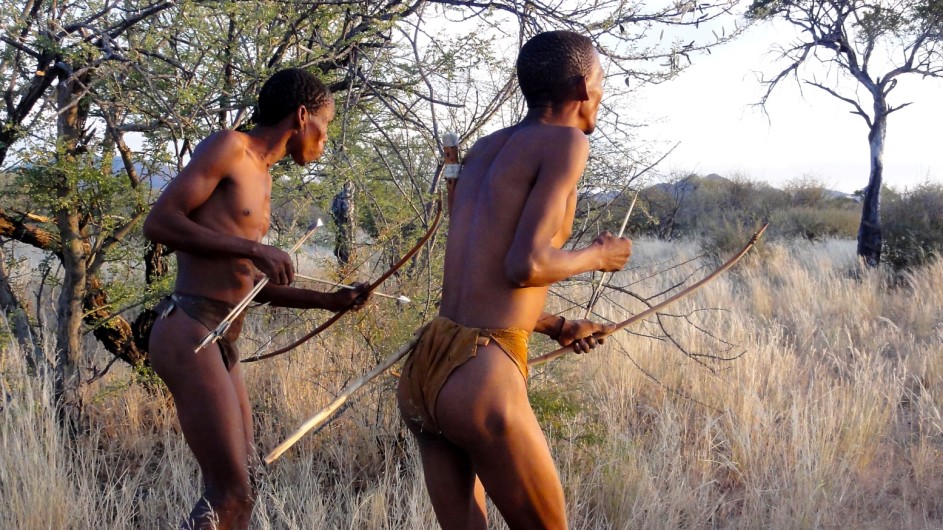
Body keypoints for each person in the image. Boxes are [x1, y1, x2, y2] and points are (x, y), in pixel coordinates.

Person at [397, 31, 633, 530]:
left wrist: (555, 323)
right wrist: (599, 255)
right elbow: (524, 266)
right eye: (601, 80)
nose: (603, 93)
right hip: (482, 378)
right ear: (580, 86)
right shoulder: (566, 141)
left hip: (426, 369)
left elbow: (479, 281)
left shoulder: (484, 150)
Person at [143, 68, 369, 530]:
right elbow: (159, 222)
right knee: (230, 493)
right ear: (302, 116)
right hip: (189, 326)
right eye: (324, 127)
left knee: (244, 488)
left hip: (220, 338)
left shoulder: (263, 177)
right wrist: (254, 248)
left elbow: (250, 288)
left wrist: (328, 302)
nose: (324, 141)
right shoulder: (230, 147)